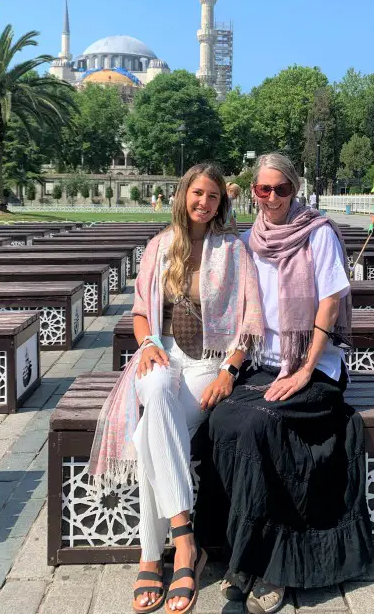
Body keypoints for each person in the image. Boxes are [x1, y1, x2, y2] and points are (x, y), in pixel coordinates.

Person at [195, 153, 374, 614]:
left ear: (295, 191)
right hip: (263, 362)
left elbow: (330, 302)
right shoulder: (250, 239)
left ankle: (259, 567)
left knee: (258, 426)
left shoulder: (318, 234)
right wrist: (229, 367)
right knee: (223, 421)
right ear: (252, 191)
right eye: (262, 189)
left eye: (280, 190)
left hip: (314, 368)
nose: (270, 198)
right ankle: (229, 546)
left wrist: (303, 370)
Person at [88, 164, 264, 614]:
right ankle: (187, 544)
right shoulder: (159, 247)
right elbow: (141, 311)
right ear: (184, 195)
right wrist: (146, 343)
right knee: (155, 390)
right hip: (163, 354)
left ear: (221, 203)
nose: (203, 202)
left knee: (150, 437)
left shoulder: (233, 250)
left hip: (209, 361)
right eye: (196, 193)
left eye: (212, 197)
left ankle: (151, 553)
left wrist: (230, 369)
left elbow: (251, 319)